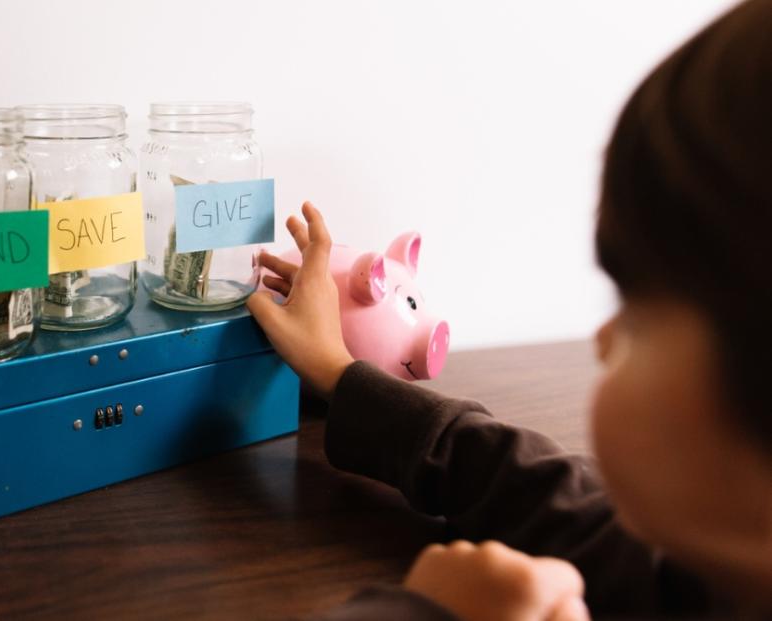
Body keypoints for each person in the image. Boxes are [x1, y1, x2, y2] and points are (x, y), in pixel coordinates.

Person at [247, 1, 772, 618]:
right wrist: (340, 373)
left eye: (639, 313)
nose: (603, 339)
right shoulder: (714, 568)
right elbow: (559, 500)